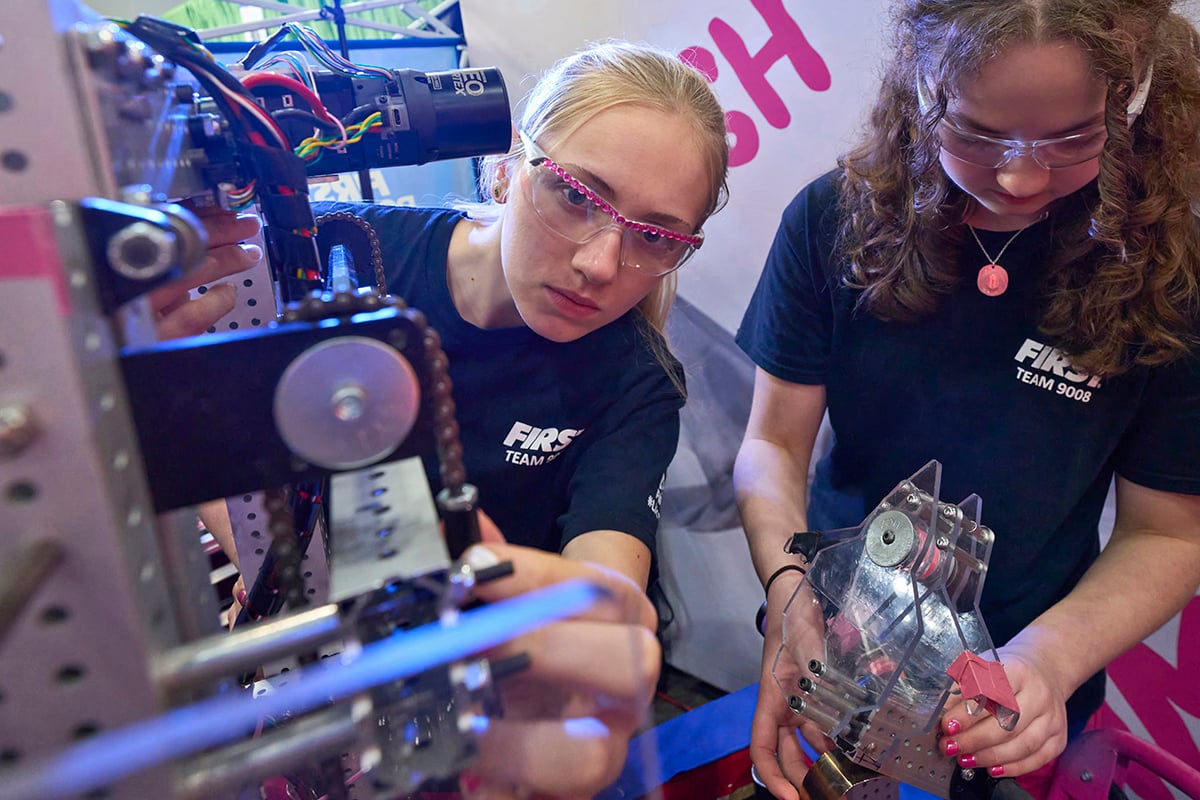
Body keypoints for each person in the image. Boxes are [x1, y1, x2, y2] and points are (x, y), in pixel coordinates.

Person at [204, 39, 731, 799]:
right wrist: (291, 587)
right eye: (578, 196)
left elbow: (603, 589)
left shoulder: (635, 384)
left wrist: (587, 664)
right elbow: (209, 442)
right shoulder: (340, 254)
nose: (600, 264)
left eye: (654, 236)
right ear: (507, 167)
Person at [732, 1, 1200, 797]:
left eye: (1072, 140)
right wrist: (790, 601)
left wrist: (1047, 661)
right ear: (923, 92)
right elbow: (773, 447)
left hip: (1028, 681)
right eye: (979, 137)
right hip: (838, 644)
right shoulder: (833, 219)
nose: (1020, 177)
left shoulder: (1168, 274)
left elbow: (1168, 533)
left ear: (1131, 104)